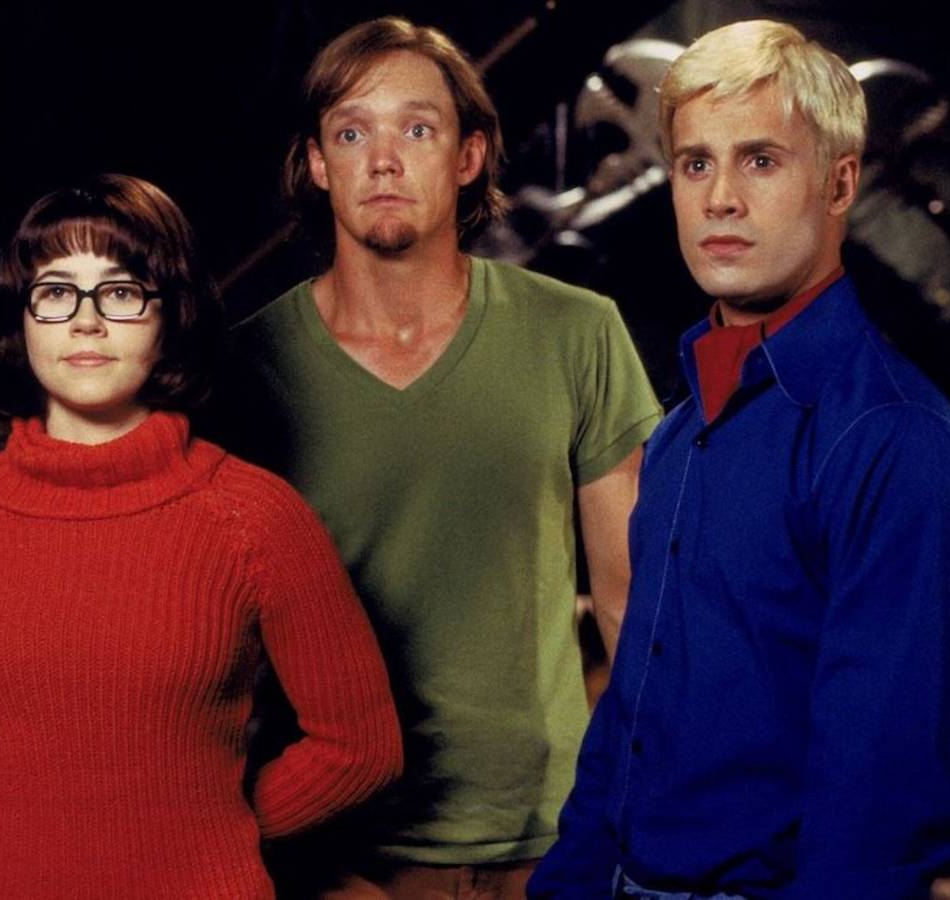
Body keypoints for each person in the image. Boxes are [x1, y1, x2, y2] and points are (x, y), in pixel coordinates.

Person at [0, 174, 403, 898]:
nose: (86, 321)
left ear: (170, 316)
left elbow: (361, 747)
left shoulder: (256, 516)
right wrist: (16, 820)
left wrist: (216, 827)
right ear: (22, 318)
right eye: (56, 292)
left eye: (119, 292)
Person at [531, 20, 950, 899]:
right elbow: (634, 715)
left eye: (761, 161)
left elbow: (877, 808)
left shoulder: (897, 443)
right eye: (696, 163)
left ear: (840, 182)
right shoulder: (677, 435)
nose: (720, 199)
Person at [213, 16, 662, 898]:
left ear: (469, 156)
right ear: (317, 163)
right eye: (352, 134)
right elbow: (215, 650)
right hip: (342, 857)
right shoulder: (248, 371)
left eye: (417, 129)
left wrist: (639, 816)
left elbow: (631, 607)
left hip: (552, 842)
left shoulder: (578, 332)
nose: (383, 160)